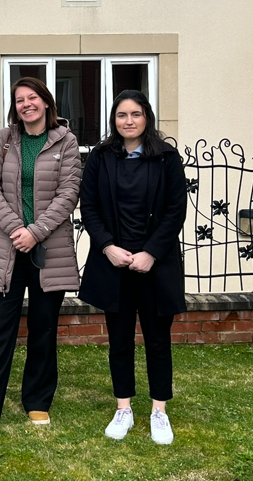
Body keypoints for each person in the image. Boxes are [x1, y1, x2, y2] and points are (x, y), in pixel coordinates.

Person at [0, 77, 82, 428]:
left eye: (32, 97)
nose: (26, 104)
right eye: (20, 99)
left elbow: (69, 193)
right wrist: (15, 229)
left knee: (43, 327)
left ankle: (37, 401)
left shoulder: (65, 141)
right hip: (7, 249)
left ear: (46, 102)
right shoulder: (4, 140)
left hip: (49, 249)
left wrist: (35, 232)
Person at [78, 89, 186, 445]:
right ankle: (123, 407)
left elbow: (175, 211)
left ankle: (159, 411)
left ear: (147, 117)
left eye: (135, 114)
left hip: (156, 265)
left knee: (158, 341)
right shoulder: (100, 157)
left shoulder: (167, 158)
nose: (128, 121)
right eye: (121, 115)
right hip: (114, 265)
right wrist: (107, 247)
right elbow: (89, 207)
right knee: (119, 341)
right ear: (114, 120)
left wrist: (151, 252)